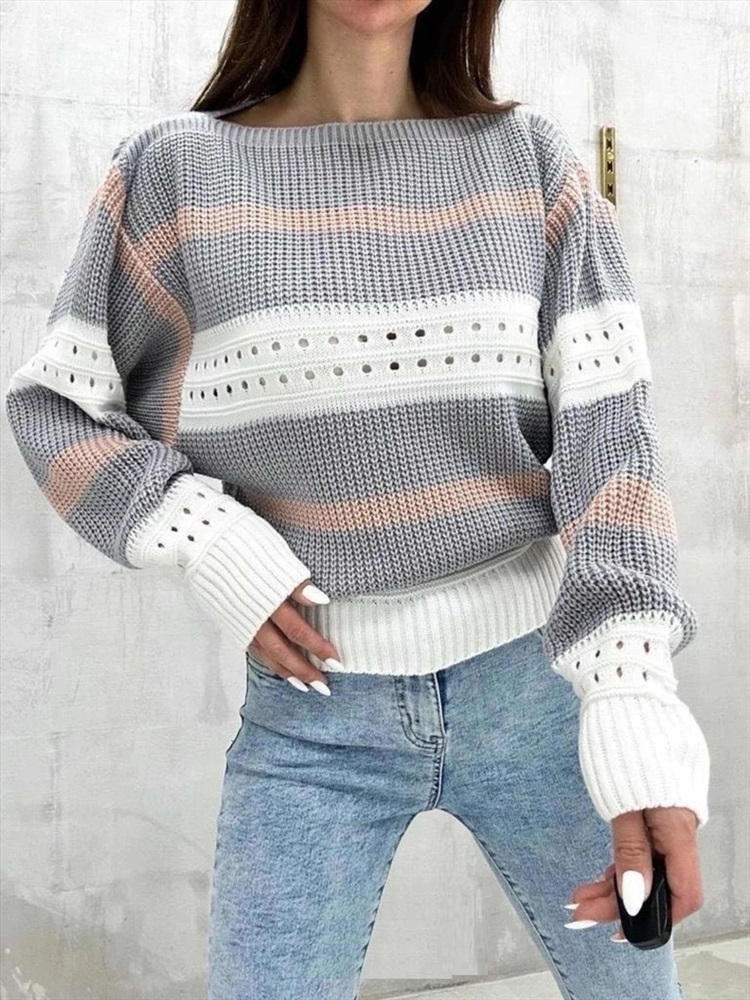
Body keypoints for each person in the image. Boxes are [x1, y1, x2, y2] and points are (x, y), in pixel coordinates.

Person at [4, 0, 711, 997]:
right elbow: (58, 407)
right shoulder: (174, 175)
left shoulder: (533, 166)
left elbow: (613, 449)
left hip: (541, 699)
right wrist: (209, 537)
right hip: (313, 721)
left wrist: (634, 704)